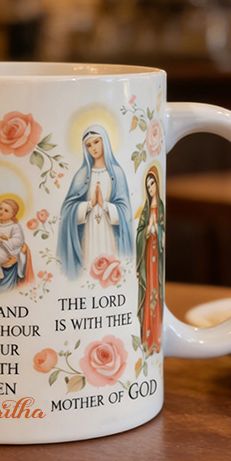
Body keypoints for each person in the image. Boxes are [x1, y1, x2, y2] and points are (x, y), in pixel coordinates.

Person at [57, 125, 134, 279]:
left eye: (96, 142)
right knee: (89, 262)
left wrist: (104, 205)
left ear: (104, 141)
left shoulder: (117, 173)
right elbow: (67, 209)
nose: (93, 148)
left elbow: (126, 212)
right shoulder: (82, 175)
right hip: (89, 228)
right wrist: (89, 205)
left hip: (108, 229)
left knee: (109, 262)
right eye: (89, 145)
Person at [136, 166, 165, 354]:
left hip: (157, 259)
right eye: (148, 185)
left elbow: (163, 230)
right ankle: (148, 340)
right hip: (148, 258)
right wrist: (147, 230)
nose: (151, 188)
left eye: (152, 183)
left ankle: (157, 339)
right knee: (148, 295)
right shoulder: (146, 211)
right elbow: (140, 233)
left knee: (156, 291)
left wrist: (158, 230)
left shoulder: (160, 208)